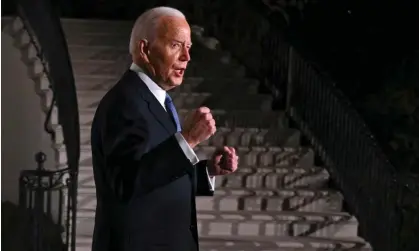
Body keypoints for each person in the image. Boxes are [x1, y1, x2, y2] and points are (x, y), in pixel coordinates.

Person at [90, 6, 239, 251]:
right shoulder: (124, 102)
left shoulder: (155, 100)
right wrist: (188, 139)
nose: (186, 58)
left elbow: (157, 176)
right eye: (176, 45)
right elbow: (126, 184)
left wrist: (207, 171)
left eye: (188, 47)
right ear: (144, 50)